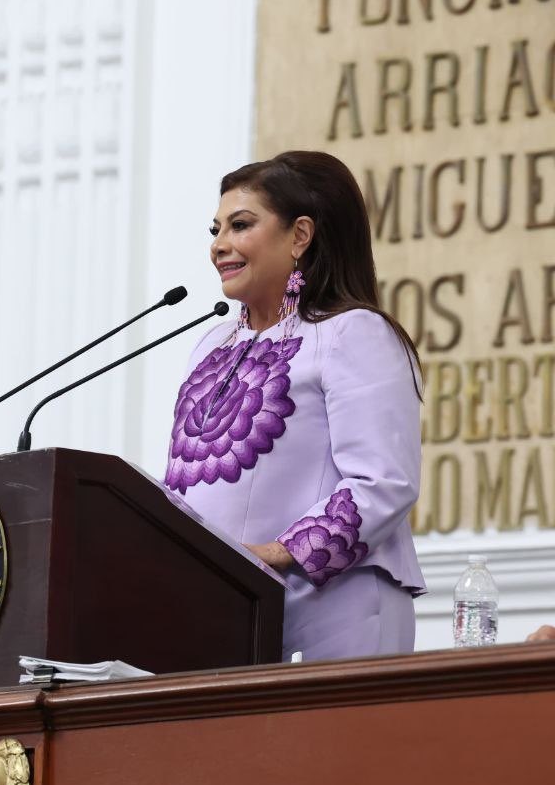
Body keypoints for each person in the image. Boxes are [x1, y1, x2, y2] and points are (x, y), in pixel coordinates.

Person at [164, 150, 424, 662]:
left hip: (332, 612)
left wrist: (271, 556)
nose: (219, 246)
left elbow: (382, 483)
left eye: (240, 225)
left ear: (300, 235)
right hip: (223, 612)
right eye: (214, 230)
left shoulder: (351, 332)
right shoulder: (211, 346)